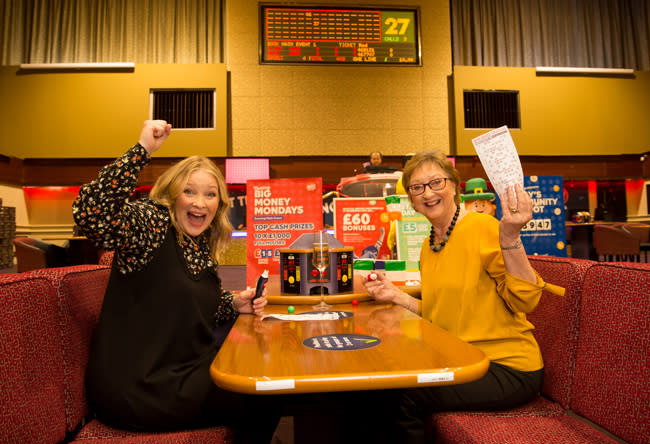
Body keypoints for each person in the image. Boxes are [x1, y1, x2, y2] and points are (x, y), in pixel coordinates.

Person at [72, 120, 278, 443]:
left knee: (258, 379)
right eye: (189, 192)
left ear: (219, 204)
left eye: (210, 195)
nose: (200, 203)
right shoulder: (153, 225)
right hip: (137, 387)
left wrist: (235, 302)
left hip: (179, 373)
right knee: (261, 393)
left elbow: (190, 304)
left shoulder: (197, 245)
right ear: (172, 195)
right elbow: (90, 212)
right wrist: (142, 150)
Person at [363, 151, 547, 443]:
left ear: (454, 187)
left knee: (400, 397)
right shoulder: (429, 244)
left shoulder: (482, 227)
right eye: (418, 187)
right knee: (378, 385)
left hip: (506, 367)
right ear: (411, 199)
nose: (428, 193)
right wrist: (396, 295)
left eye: (436, 182)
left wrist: (511, 238)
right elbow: (441, 314)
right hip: (462, 360)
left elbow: (526, 301)